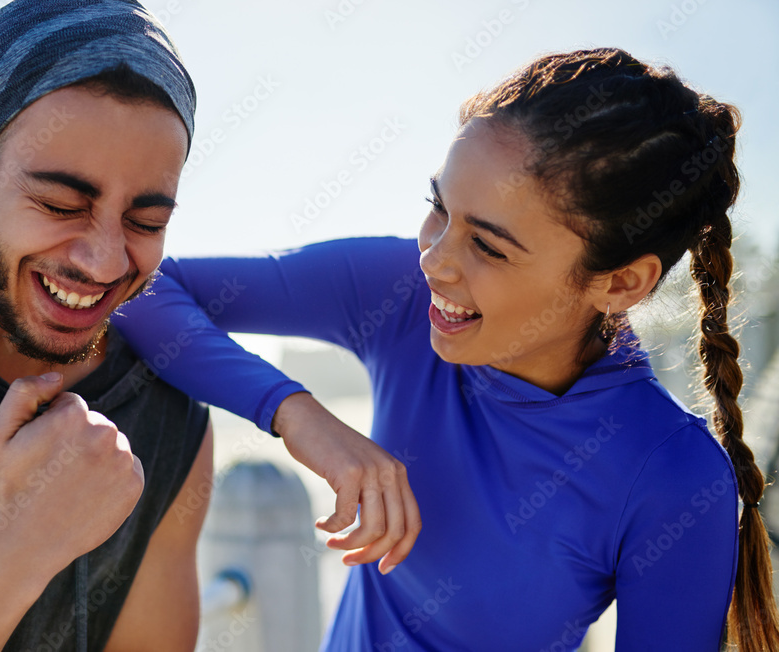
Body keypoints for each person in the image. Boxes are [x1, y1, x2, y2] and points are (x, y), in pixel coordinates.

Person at [0, 1, 417, 650]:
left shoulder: (165, 411)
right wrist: (22, 544)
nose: (105, 262)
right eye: (60, 204)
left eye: (146, 221)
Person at [113, 48, 779, 650]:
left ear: (620, 282)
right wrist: (299, 417)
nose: (435, 261)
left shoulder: (672, 476)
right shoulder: (402, 296)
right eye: (439, 208)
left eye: (488, 245)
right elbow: (137, 285)